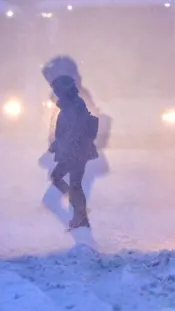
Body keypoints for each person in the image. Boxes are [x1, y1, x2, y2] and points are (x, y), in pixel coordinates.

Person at [40, 56, 108, 223]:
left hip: (80, 158)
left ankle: (83, 241)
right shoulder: (67, 97)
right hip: (77, 158)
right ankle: (83, 240)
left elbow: (75, 130)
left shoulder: (75, 97)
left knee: (61, 202)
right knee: (68, 203)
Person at [45, 74, 98, 231]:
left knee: (64, 180)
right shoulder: (70, 104)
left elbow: (74, 130)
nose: (55, 93)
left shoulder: (73, 105)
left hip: (76, 151)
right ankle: (80, 215)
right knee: (73, 184)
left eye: (56, 90)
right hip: (75, 150)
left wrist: (59, 144)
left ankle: (80, 214)